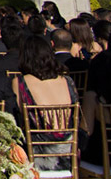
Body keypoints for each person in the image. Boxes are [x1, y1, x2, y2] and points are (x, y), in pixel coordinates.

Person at [13, 36, 78, 171]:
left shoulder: (20, 82)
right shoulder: (67, 81)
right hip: (69, 156)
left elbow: (19, 118)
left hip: (38, 158)